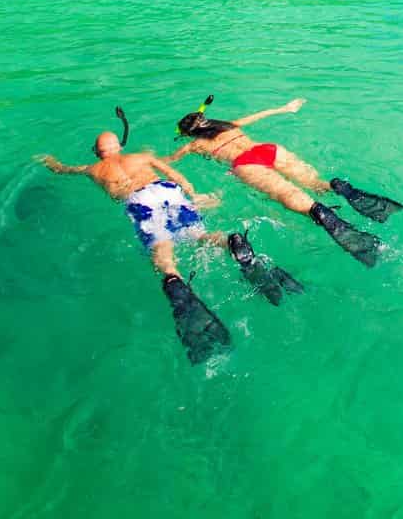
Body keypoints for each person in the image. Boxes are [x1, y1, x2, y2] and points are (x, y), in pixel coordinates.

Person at [35, 130, 300, 364]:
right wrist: (194, 194)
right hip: (167, 190)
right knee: (199, 235)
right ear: (119, 146)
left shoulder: (92, 169)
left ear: (97, 151)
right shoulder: (141, 157)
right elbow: (173, 173)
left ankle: (174, 280)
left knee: (162, 249)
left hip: (139, 202)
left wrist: (49, 161)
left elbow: (63, 169)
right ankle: (228, 242)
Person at [169, 99, 403, 267]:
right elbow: (259, 114)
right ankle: (336, 186)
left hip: (246, 164)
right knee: (316, 184)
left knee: (291, 195)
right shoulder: (230, 126)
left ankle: (319, 213)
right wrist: (286, 108)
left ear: (190, 133)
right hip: (267, 150)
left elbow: (168, 162)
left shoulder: (195, 145)